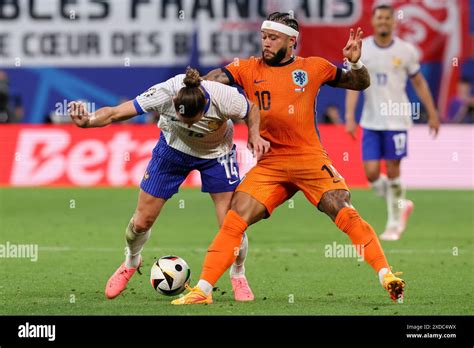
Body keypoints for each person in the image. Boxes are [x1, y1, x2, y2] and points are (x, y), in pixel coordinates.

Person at [172, 12, 405, 305]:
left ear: (291, 41)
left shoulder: (314, 67)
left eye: (273, 38)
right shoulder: (246, 67)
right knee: (235, 216)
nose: (265, 43)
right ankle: (203, 290)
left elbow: (359, 82)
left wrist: (355, 62)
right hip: (270, 162)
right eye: (264, 37)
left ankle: (386, 275)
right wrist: (194, 86)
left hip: (308, 158)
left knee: (341, 207)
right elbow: (216, 80)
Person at [68, 68, 270, 301]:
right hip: (172, 151)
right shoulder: (164, 93)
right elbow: (115, 113)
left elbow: (251, 109)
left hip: (217, 155)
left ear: (205, 104)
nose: (191, 126)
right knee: (142, 222)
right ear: (174, 102)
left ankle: (238, 274)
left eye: (194, 121)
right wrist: (89, 121)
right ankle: (131, 261)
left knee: (231, 223)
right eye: (184, 120)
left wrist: (254, 134)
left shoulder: (224, 97)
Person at [345, 4, 440, 241]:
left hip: (397, 120)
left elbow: (419, 83)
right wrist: (349, 116)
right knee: (372, 174)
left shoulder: (406, 50)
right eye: (380, 18)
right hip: (371, 119)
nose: (384, 22)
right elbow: (353, 83)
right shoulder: (363, 48)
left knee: (394, 171)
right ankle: (402, 203)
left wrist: (432, 112)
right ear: (374, 21)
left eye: (388, 18)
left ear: (393, 22)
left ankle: (394, 224)